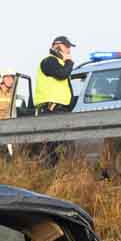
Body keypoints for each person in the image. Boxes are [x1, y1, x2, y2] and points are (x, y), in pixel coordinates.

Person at [35, 36, 75, 164]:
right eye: (66, 46)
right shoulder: (49, 61)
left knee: (61, 147)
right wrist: (69, 62)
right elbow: (61, 74)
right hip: (51, 110)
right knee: (52, 148)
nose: (69, 50)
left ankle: (57, 175)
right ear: (57, 46)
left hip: (59, 110)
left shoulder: (59, 63)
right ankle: (48, 175)